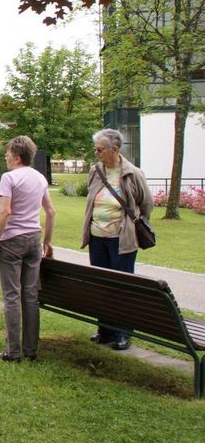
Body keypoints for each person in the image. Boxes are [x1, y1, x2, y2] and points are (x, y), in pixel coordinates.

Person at [81, 128, 153, 351]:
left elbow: (146, 204)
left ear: (115, 149)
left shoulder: (133, 173)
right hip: (97, 237)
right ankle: (105, 330)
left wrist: (132, 226)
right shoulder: (96, 171)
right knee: (102, 285)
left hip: (121, 239)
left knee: (122, 286)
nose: (97, 153)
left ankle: (123, 333)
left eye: (100, 149)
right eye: (96, 149)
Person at [0, 136, 56, 362]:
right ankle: (30, 349)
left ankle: (13, 351)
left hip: (12, 242)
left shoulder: (9, 178)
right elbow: (51, 212)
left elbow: (5, 212)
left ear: (17, 157)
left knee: (12, 296)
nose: (5, 159)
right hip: (34, 240)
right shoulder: (40, 178)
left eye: (7, 155)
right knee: (30, 295)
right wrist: (47, 242)